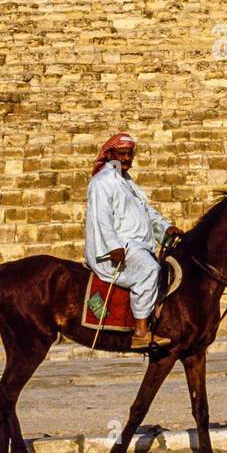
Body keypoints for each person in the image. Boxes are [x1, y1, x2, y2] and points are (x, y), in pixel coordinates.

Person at [84, 132, 182, 349]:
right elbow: (101, 219)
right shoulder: (102, 183)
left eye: (130, 154)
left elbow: (147, 212)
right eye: (122, 154)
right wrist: (113, 246)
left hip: (135, 246)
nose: (127, 158)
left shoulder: (127, 182)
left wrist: (166, 229)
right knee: (148, 269)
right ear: (109, 154)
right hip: (116, 249)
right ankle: (140, 331)